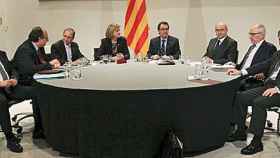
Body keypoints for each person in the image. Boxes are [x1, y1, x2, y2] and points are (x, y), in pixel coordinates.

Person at [226, 30, 280, 155]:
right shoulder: (277, 54)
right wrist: (241, 72)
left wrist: (278, 89)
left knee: (258, 103)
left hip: (278, 90)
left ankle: (256, 142)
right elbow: (262, 65)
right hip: (268, 86)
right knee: (241, 97)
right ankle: (240, 131)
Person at [12, 26, 60, 140]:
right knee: (41, 92)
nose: (47, 42)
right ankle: (39, 131)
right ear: (40, 39)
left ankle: (50, 124)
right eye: (46, 39)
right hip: (21, 83)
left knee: (50, 87)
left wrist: (50, 65)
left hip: (32, 79)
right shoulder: (25, 49)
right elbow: (29, 69)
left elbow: (40, 63)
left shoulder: (37, 47)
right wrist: (50, 65)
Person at [0, 50, 36, 153]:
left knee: (37, 92)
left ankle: (40, 129)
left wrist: (14, 78)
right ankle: (10, 138)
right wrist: (1, 83)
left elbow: (13, 69)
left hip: (10, 86)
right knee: (1, 102)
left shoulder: (2, 53)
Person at [227, 24, 277, 90]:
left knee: (229, 87)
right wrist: (234, 65)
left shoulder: (270, 48)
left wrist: (264, 74)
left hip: (252, 79)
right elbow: (243, 65)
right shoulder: (251, 47)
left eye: (253, 34)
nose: (250, 37)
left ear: (262, 35)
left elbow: (269, 66)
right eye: (250, 34)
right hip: (241, 75)